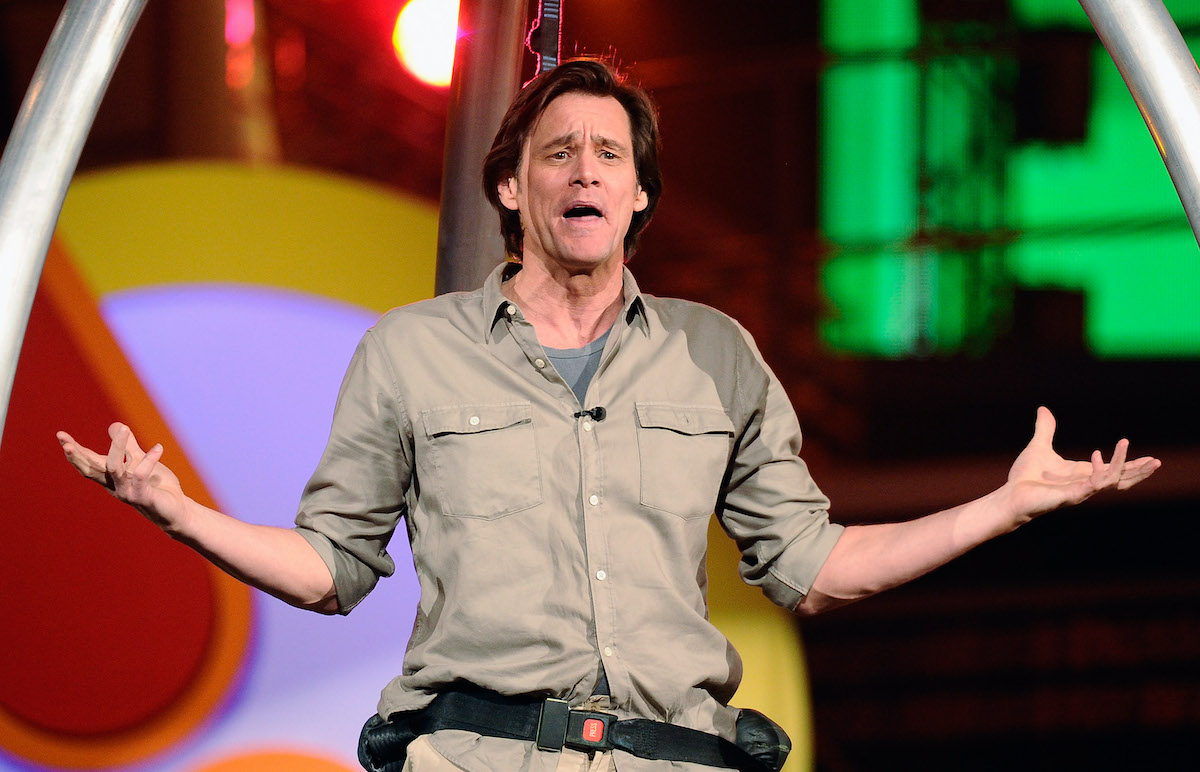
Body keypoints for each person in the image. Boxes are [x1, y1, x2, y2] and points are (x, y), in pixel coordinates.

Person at [57, 59, 1161, 772]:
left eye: (609, 155)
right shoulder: (411, 351)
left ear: (639, 196)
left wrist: (1003, 507)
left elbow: (817, 566)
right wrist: (178, 511)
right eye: (558, 152)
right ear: (511, 188)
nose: (584, 170)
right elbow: (328, 569)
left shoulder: (715, 354)